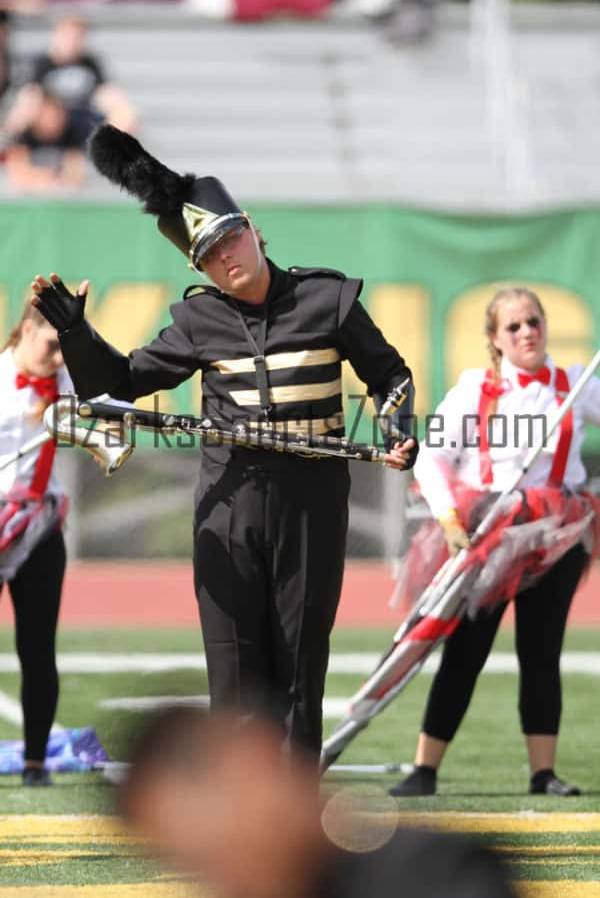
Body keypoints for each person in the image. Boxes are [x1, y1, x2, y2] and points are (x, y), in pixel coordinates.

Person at [31, 123, 418, 759]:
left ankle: (294, 826)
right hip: (230, 504)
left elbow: (390, 376)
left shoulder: (330, 300)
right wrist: (77, 336)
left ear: (251, 228)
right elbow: (119, 385)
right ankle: (240, 826)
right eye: (209, 255)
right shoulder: (197, 320)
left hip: (312, 504)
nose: (226, 257)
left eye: (230, 239)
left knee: (297, 668)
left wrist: (396, 426)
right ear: (199, 267)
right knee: (235, 675)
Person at [389, 286, 600, 798]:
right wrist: (447, 519)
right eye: (514, 326)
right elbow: (433, 458)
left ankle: (542, 773)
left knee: (541, 649)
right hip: (487, 535)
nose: (527, 332)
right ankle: (424, 770)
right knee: (465, 649)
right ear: (495, 339)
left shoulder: (577, 384)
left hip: (556, 535)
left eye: (534, 321)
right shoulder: (474, 391)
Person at [120, 705, 517, 898]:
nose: (226, 879)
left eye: (217, 849)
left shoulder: (437, 875)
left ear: (253, 764)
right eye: (199, 867)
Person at [0, 302, 72, 786]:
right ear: (27, 329)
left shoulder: (69, 381)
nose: (61, 356)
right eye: (53, 343)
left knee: (38, 647)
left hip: (39, 527)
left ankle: (35, 762)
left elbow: (121, 410)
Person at [1, 15, 137, 145]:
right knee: (29, 104)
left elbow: (106, 92)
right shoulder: (41, 63)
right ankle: (8, 142)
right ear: (56, 35)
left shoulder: (91, 63)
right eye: (69, 35)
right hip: (50, 117)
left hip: (82, 117)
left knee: (126, 113)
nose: (72, 41)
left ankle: (111, 158)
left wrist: (122, 109)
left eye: (78, 36)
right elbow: (29, 96)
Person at [5, 89, 88, 192]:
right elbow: (18, 174)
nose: (51, 119)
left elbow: (76, 173)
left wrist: (58, 181)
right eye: (46, 114)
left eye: (55, 114)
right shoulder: (24, 136)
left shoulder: (71, 133)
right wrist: (45, 178)